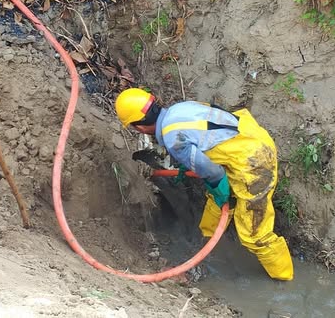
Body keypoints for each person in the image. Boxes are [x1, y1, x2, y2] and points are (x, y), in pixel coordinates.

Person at [115, 88, 294, 281]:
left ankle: (284, 277)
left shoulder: (172, 138)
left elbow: (214, 173)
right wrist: (189, 164)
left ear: (140, 128)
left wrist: (220, 188)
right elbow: (205, 135)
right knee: (215, 202)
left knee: (254, 234)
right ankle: (206, 244)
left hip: (254, 162)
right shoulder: (178, 110)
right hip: (248, 139)